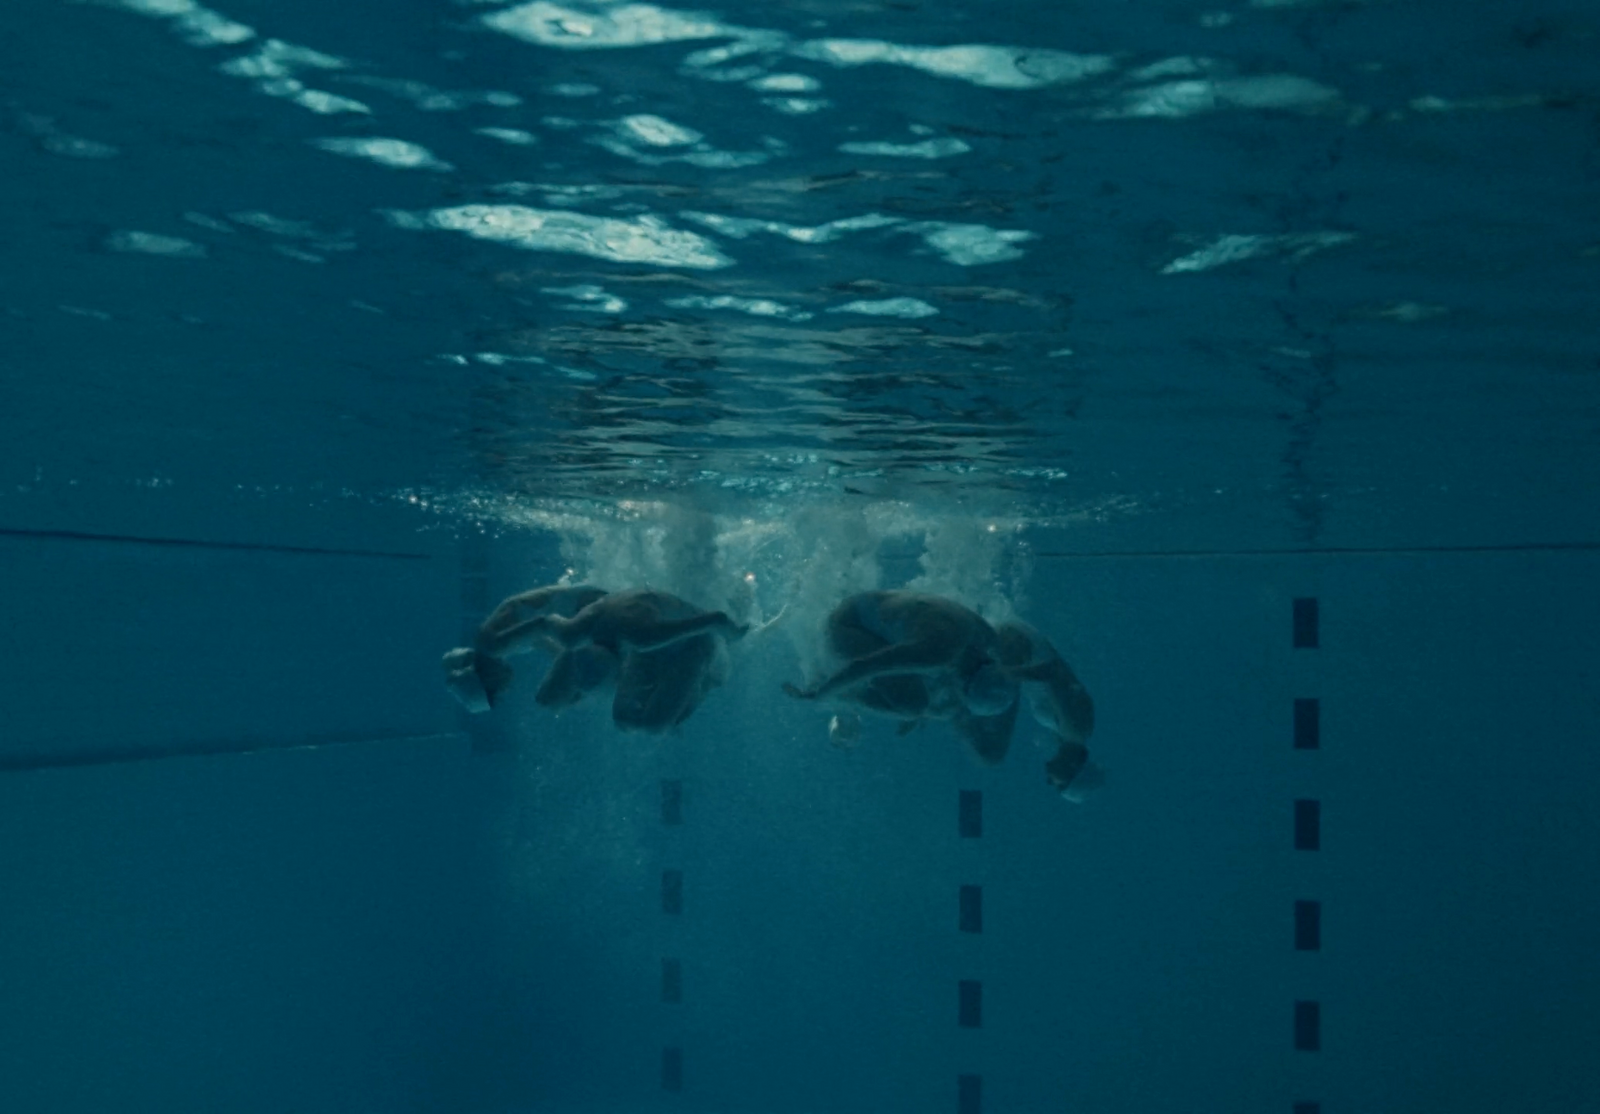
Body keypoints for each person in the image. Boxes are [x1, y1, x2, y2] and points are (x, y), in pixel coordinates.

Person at [783, 591, 1020, 765]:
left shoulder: (988, 642)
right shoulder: (937, 653)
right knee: (912, 706)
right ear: (964, 682)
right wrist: (822, 693)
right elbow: (865, 666)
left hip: (873, 605)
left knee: (930, 703)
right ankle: (843, 698)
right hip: (847, 625)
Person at [500, 587, 750, 733]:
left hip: (697, 644)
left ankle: (702, 685)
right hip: (642, 638)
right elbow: (541, 624)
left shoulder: (643, 637)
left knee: (656, 724)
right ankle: (677, 692)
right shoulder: (574, 634)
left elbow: (715, 619)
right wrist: (504, 644)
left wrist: (736, 634)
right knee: (622, 720)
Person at [442, 584, 611, 714]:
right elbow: (544, 641)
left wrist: (566, 678)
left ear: (484, 679)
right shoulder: (499, 645)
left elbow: (544, 624)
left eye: (495, 691)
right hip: (586, 603)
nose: (505, 689)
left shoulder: (492, 646)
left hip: (586, 605)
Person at [994, 619, 1104, 802]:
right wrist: (1006, 673)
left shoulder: (1067, 734)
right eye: (1059, 784)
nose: (1050, 781)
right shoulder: (1075, 729)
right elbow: (1053, 672)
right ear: (1074, 771)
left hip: (1020, 646)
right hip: (1020, 644)